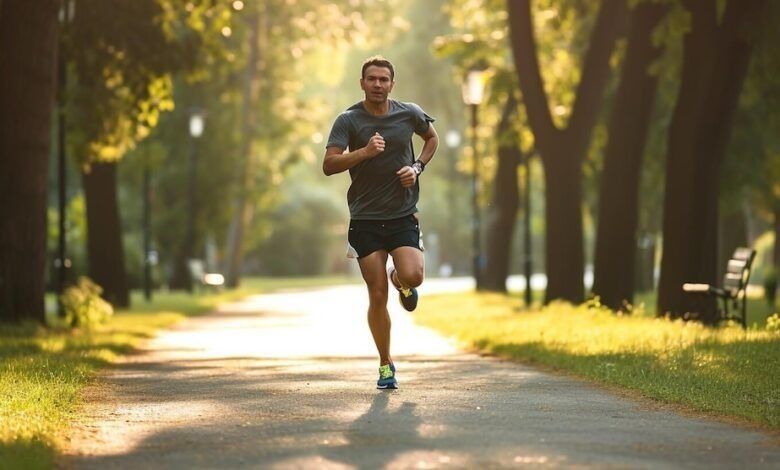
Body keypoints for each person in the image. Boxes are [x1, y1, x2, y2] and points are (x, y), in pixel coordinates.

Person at [323, 56, 439, 390]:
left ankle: (400, 280)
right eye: (371, 79)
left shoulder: (409, 113)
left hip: (402, 214)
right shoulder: (348, 120)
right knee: (376, 295)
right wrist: (364, 153)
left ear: (392, 83)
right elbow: (329, 164)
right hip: (365, 219)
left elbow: (432, 138)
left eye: (383, 79)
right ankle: (385, 364)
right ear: (362, 83)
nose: (377, 84)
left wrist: (416, 168)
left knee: (414, 274)